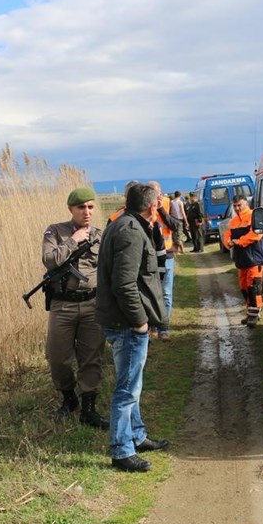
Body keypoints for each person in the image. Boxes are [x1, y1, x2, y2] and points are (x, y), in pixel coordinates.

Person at [96, 183, 170, 472]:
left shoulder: (127, 224)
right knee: (126, 389)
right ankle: (122, 450)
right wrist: (140, 322)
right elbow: (124, 284)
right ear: (151, 207)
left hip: (125, 322)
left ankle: (136, 435)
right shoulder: (129, 231)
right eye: (159, 203)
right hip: (127, 324)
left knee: (133, 385)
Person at [41, 187, 107, 428]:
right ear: (71, 209)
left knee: (91, 357)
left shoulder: (101, 235)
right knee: (57, 358)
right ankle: (69, 399)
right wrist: (73, 240)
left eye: (90, 207)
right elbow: (49, 260)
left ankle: (89, 408)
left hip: (92, 303)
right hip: (63, 306)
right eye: (81, 207)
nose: (87, 212)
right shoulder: (55, 232)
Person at [222, 194, 263, 328]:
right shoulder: (234, 221)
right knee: (244, 288)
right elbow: (227, 235)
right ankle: (250, 312)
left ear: (246, 203)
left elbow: (256, 235)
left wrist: (239, 242)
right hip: (241, 259)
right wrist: (228, 243)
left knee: (254, 287)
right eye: (234, 206)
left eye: (239, 205)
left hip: (254, 259)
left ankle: (254, 315)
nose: (237, 208)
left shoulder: (255, 216)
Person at [148, 181, 182, 342]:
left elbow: (176, 226)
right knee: (151, 292)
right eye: (152, 193)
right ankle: (151, 326)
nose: (156, 196)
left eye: (158, 192)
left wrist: (161, 209)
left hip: (167, 255)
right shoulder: (144, 206)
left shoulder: (168, 204)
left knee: (166, 294)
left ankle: (163, 328)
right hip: (149, 256)